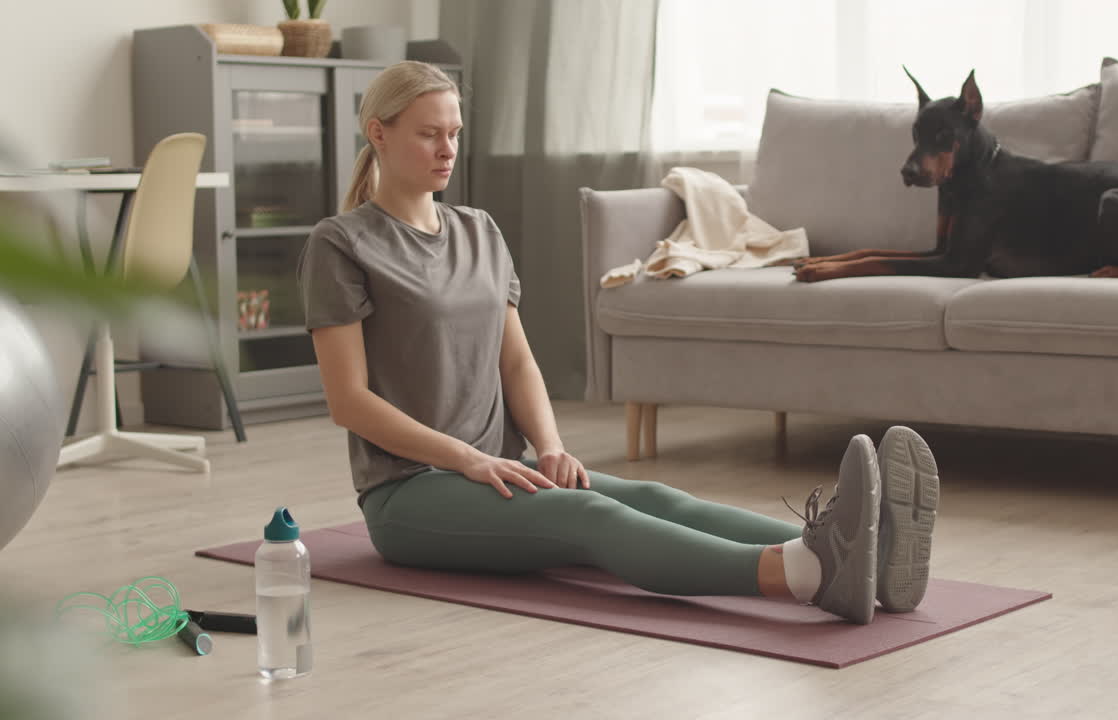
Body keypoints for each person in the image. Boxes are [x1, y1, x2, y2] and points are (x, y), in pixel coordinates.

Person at [297, 61, 941, 624]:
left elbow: (515, 359)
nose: (448, 149)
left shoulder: (479, 230)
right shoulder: (342, 243)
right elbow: (349, 401)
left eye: (455, 133)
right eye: (429, 133)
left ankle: (859, 550)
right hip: (411, 493)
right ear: (378, 133)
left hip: (503, 468)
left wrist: (550, 446)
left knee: (657, 499)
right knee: (590, 518)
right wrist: (468, 459)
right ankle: (805, 574)